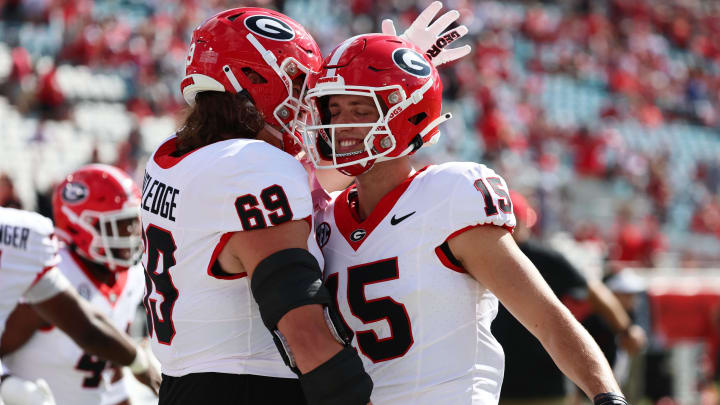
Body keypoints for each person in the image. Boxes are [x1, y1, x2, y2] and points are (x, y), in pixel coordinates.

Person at [141, 4, 470, 404]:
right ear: (255, 76)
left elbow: (315, 180)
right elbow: (305, 333)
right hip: (250, 386)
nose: (307, 97)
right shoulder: (255, 166)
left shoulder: (172, 155)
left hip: (185, 383)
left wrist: (394, 73)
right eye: (299, 81)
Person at [304, 34, 629, 405]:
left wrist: (607, 397)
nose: (342, 124)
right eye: (335, 110)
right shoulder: (325, 219)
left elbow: (547, 317)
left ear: (405, 114)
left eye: (360, 110)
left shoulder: (449, 194)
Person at [1, 164, 147, 405]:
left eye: (132, 223)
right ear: (80, 224)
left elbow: (111, 371)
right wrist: (6, 384)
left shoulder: (131, 276)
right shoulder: (52, 269)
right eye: (118, 224)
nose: (130, 235)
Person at [491, 191, 646, 405]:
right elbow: (595, 291)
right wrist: (626, 330)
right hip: (511, 384)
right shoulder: (543, 256)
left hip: (526, 383)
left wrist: (626, 329)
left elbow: (593, 291)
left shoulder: (542, 257)